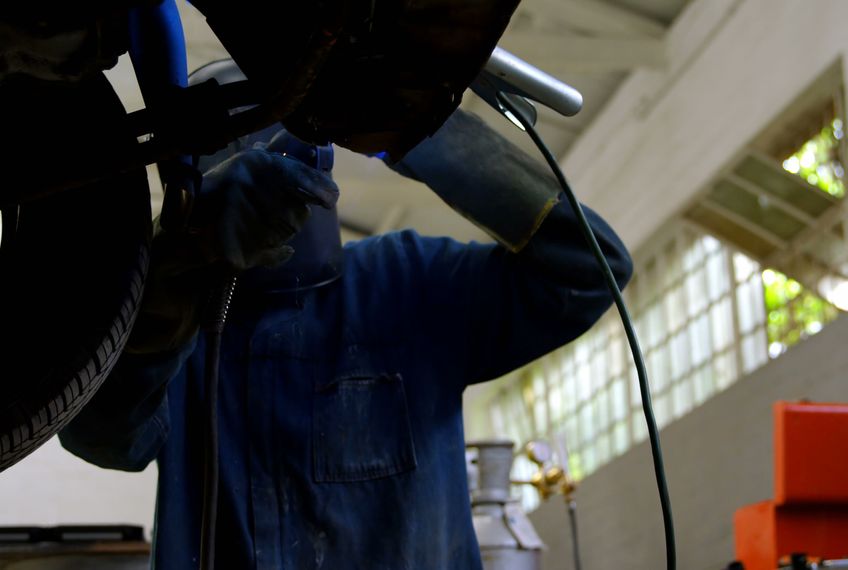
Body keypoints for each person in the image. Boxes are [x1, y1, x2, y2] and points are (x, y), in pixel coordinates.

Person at [59, 60, 632, 569]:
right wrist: (174, 263)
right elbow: (104, 437)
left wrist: (420, 128)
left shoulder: (412, 287)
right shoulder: (179, 330)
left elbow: (588, 268)